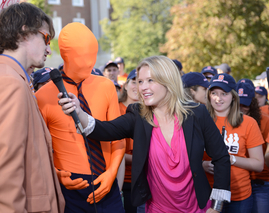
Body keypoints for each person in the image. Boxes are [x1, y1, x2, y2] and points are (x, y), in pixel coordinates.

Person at [59, 55, 231, 213]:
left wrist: (216, 207)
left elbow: (221, 157)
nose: (143, 87)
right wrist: (79, 112)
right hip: (157, 208)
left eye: (150, 80)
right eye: (140, 82)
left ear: (168, 81)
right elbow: (105, 130)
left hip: (198, 207)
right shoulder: (138, 115)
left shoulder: (196, 113)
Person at [0, 3, 65, 213]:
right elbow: (5, 176)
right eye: (46, 38)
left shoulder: (6, 78)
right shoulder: (8, 83)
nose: (49, 48)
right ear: (24, 32)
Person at [36, 22, 125, 213]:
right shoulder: (42, 97)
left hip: (107, 183)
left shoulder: (106, 87)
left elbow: (118, 137)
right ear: (66, 56)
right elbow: (38, 148)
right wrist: (56, 174)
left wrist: (111, 173)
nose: (89, 62)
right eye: (83, 57)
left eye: (92, 55)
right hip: (70, 189)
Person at [204, 74, 264, 213]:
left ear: (233, 96)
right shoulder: (200, 121)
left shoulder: (248, 123)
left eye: (224, 93)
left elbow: (259, 164)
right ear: (208, 96)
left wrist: (231, 159)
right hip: (207, 194)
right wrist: (202, 165)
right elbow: (187, 157)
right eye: (214, 93)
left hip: (239, 197)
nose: (218, 99)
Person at [234, 82, 269, 213]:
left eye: (245, 105)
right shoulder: (230, 120)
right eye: (238, 104)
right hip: (239, 182)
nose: (241, 108)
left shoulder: (265, 120)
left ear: (252, 104)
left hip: (261, 182)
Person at [118, 69, 138, 213]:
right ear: (126, 85)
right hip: (120, 181)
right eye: (134, 81)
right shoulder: (115, 108)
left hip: (142, 181)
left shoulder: (150, 111)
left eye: (142, 82)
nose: (137, 86)